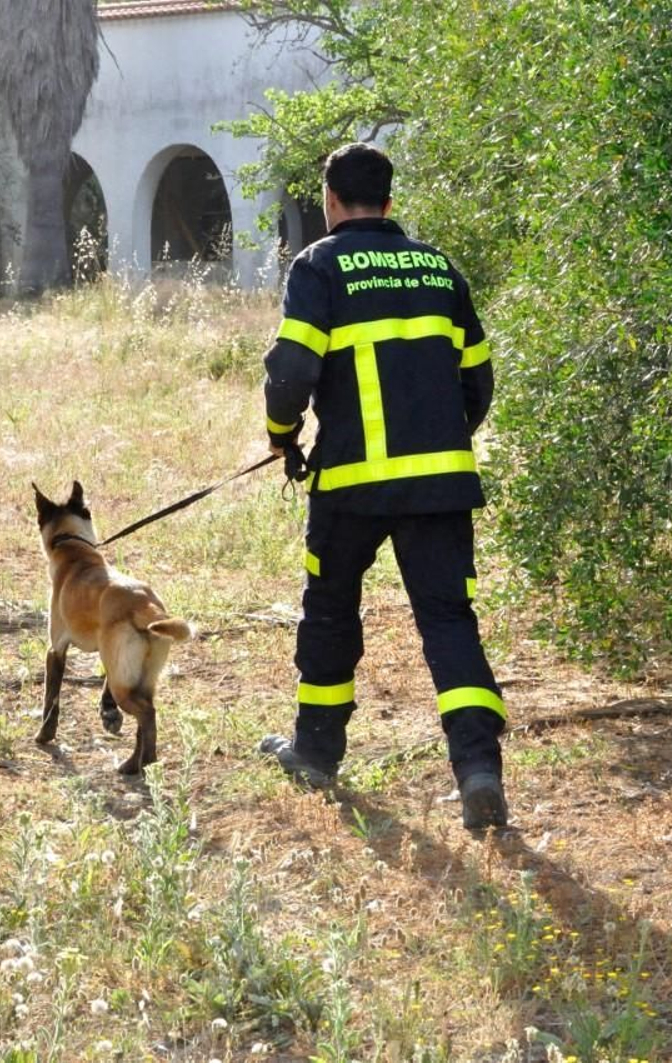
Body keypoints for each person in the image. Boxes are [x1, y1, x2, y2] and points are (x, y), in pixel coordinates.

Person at [257, 141, 508, 830]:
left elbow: (290, 374)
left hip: (352, 483)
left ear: (331, 202)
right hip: (439, 484)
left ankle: (316, 750)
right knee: (450, 622)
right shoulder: (439, 268)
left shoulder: (318, 266)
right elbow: (478, 380)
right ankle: (479, 770)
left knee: (331, 609)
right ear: (390, 202)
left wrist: (283, 435)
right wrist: (439, 436)